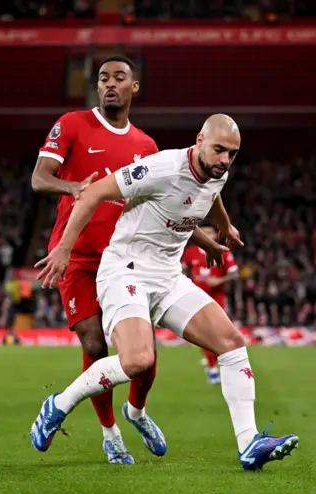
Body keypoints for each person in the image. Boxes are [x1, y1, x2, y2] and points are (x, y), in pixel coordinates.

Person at [31, 114, 298, 471]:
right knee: (139, 360)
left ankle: (249, 443)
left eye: (232, 154)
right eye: (219, 150)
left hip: (168, 277)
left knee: (232, 344)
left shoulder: (219, 171)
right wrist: (64, 247)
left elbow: (211, 190)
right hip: (125, 270)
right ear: (199, 140)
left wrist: (220, 227)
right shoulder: (161, 168)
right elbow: (94, 192)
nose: (224, 160)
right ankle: (60, 404)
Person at [31, 55, 236, 463]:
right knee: (93, 341)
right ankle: (110, 434)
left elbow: (170, 209)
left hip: (131, 262)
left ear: (133, 87)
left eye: (118, 77)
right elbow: (39, 179)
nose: (109, 84)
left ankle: (137, 413)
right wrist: (76, 189)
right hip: (80, 257)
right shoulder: (71, 123)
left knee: (143, 359)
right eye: (103, 78)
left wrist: (206, 242)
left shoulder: (146, 147)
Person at [182, 221, 239, 384]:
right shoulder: (190, 252)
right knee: (205, 334)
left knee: (220, 334)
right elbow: (183, 271)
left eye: (210, 233)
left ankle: (217, 363)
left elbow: (235, 274)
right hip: (196, 299)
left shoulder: (223, 252)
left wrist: (220, 280)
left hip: (217, 300)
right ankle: (212, 368)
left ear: (217, 235)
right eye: (203, 232)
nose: (207, 236)